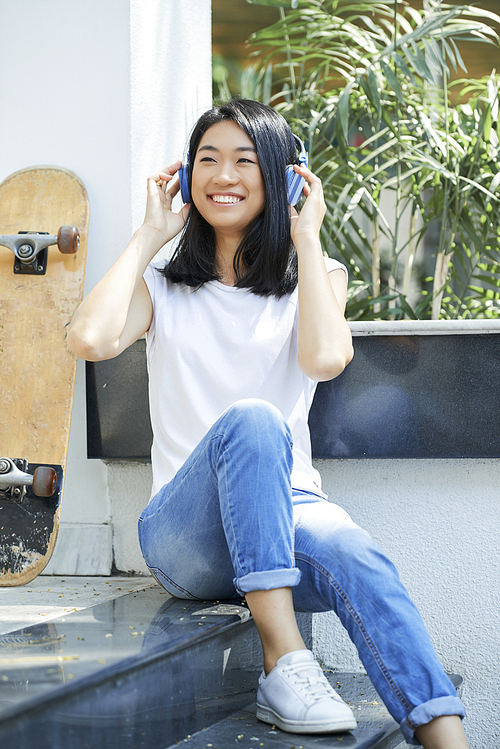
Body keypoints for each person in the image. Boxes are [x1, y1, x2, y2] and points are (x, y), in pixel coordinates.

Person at [68, 99, 469, 748]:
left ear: (283, 176)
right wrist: (148, 236)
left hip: (287, 517)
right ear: (185, 179)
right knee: (252, 421)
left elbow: (325, 356)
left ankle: (448, 739)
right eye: (207, 160)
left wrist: (307, 237)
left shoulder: (315, 275)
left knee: (361, 557)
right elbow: (87, 337)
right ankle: (283, 660)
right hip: (185, 535)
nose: (223, 175)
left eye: (245, 161)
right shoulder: (165, 287)